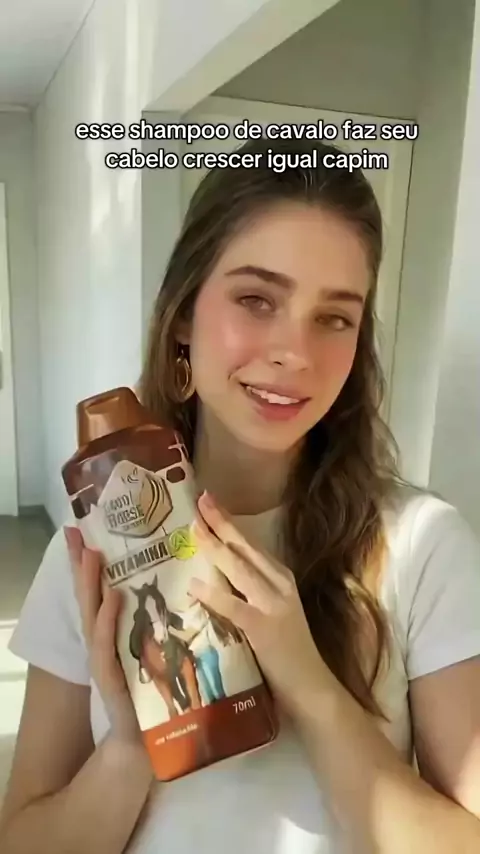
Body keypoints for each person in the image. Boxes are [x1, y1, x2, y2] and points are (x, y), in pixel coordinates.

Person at [1, 136, 480, 854]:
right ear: (183, 318)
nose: (295, 352)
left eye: (335, 317)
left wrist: (309, 685)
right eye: (256, 299)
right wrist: (132, 745)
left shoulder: (421, 547)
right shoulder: (91, 561)